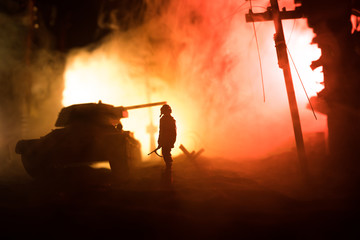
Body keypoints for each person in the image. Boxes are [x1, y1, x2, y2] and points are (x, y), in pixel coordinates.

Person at [157, 104, 177, 169]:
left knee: (166, 154)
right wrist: (160, 142)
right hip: (165, 141)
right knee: (165, 154)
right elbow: (161, 131)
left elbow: (173, 132)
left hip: (168, 141)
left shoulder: (170, 120)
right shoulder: (163, 119)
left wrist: (171, 142)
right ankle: (168, 167)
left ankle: (169, 167)